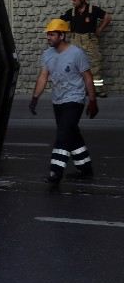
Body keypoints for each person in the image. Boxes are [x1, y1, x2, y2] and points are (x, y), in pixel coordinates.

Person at [29, 19, 99, 185]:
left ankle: (56, 172)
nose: (48, 37)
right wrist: (34, 98)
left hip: (74, 100)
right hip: (58, 100)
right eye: (48, 34)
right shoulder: (47, 55)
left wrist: (92, 100)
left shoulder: (76, 53)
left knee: (62, 136)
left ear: (62, 35)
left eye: (52, 34)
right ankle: (85, 168)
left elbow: (88, 78)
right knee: (72, 134)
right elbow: (43, 77)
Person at [60, 0, 112, 97]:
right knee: (75, 65)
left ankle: (97, 89)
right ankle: (78, 89)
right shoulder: (71, 12)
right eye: (72, 0)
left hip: (90, 40)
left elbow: (107, 17)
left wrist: (100, 29)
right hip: (75, 40)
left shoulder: (93, 10)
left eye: (75, 0)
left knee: (95, 65)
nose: (73, 2)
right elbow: (61, 22)